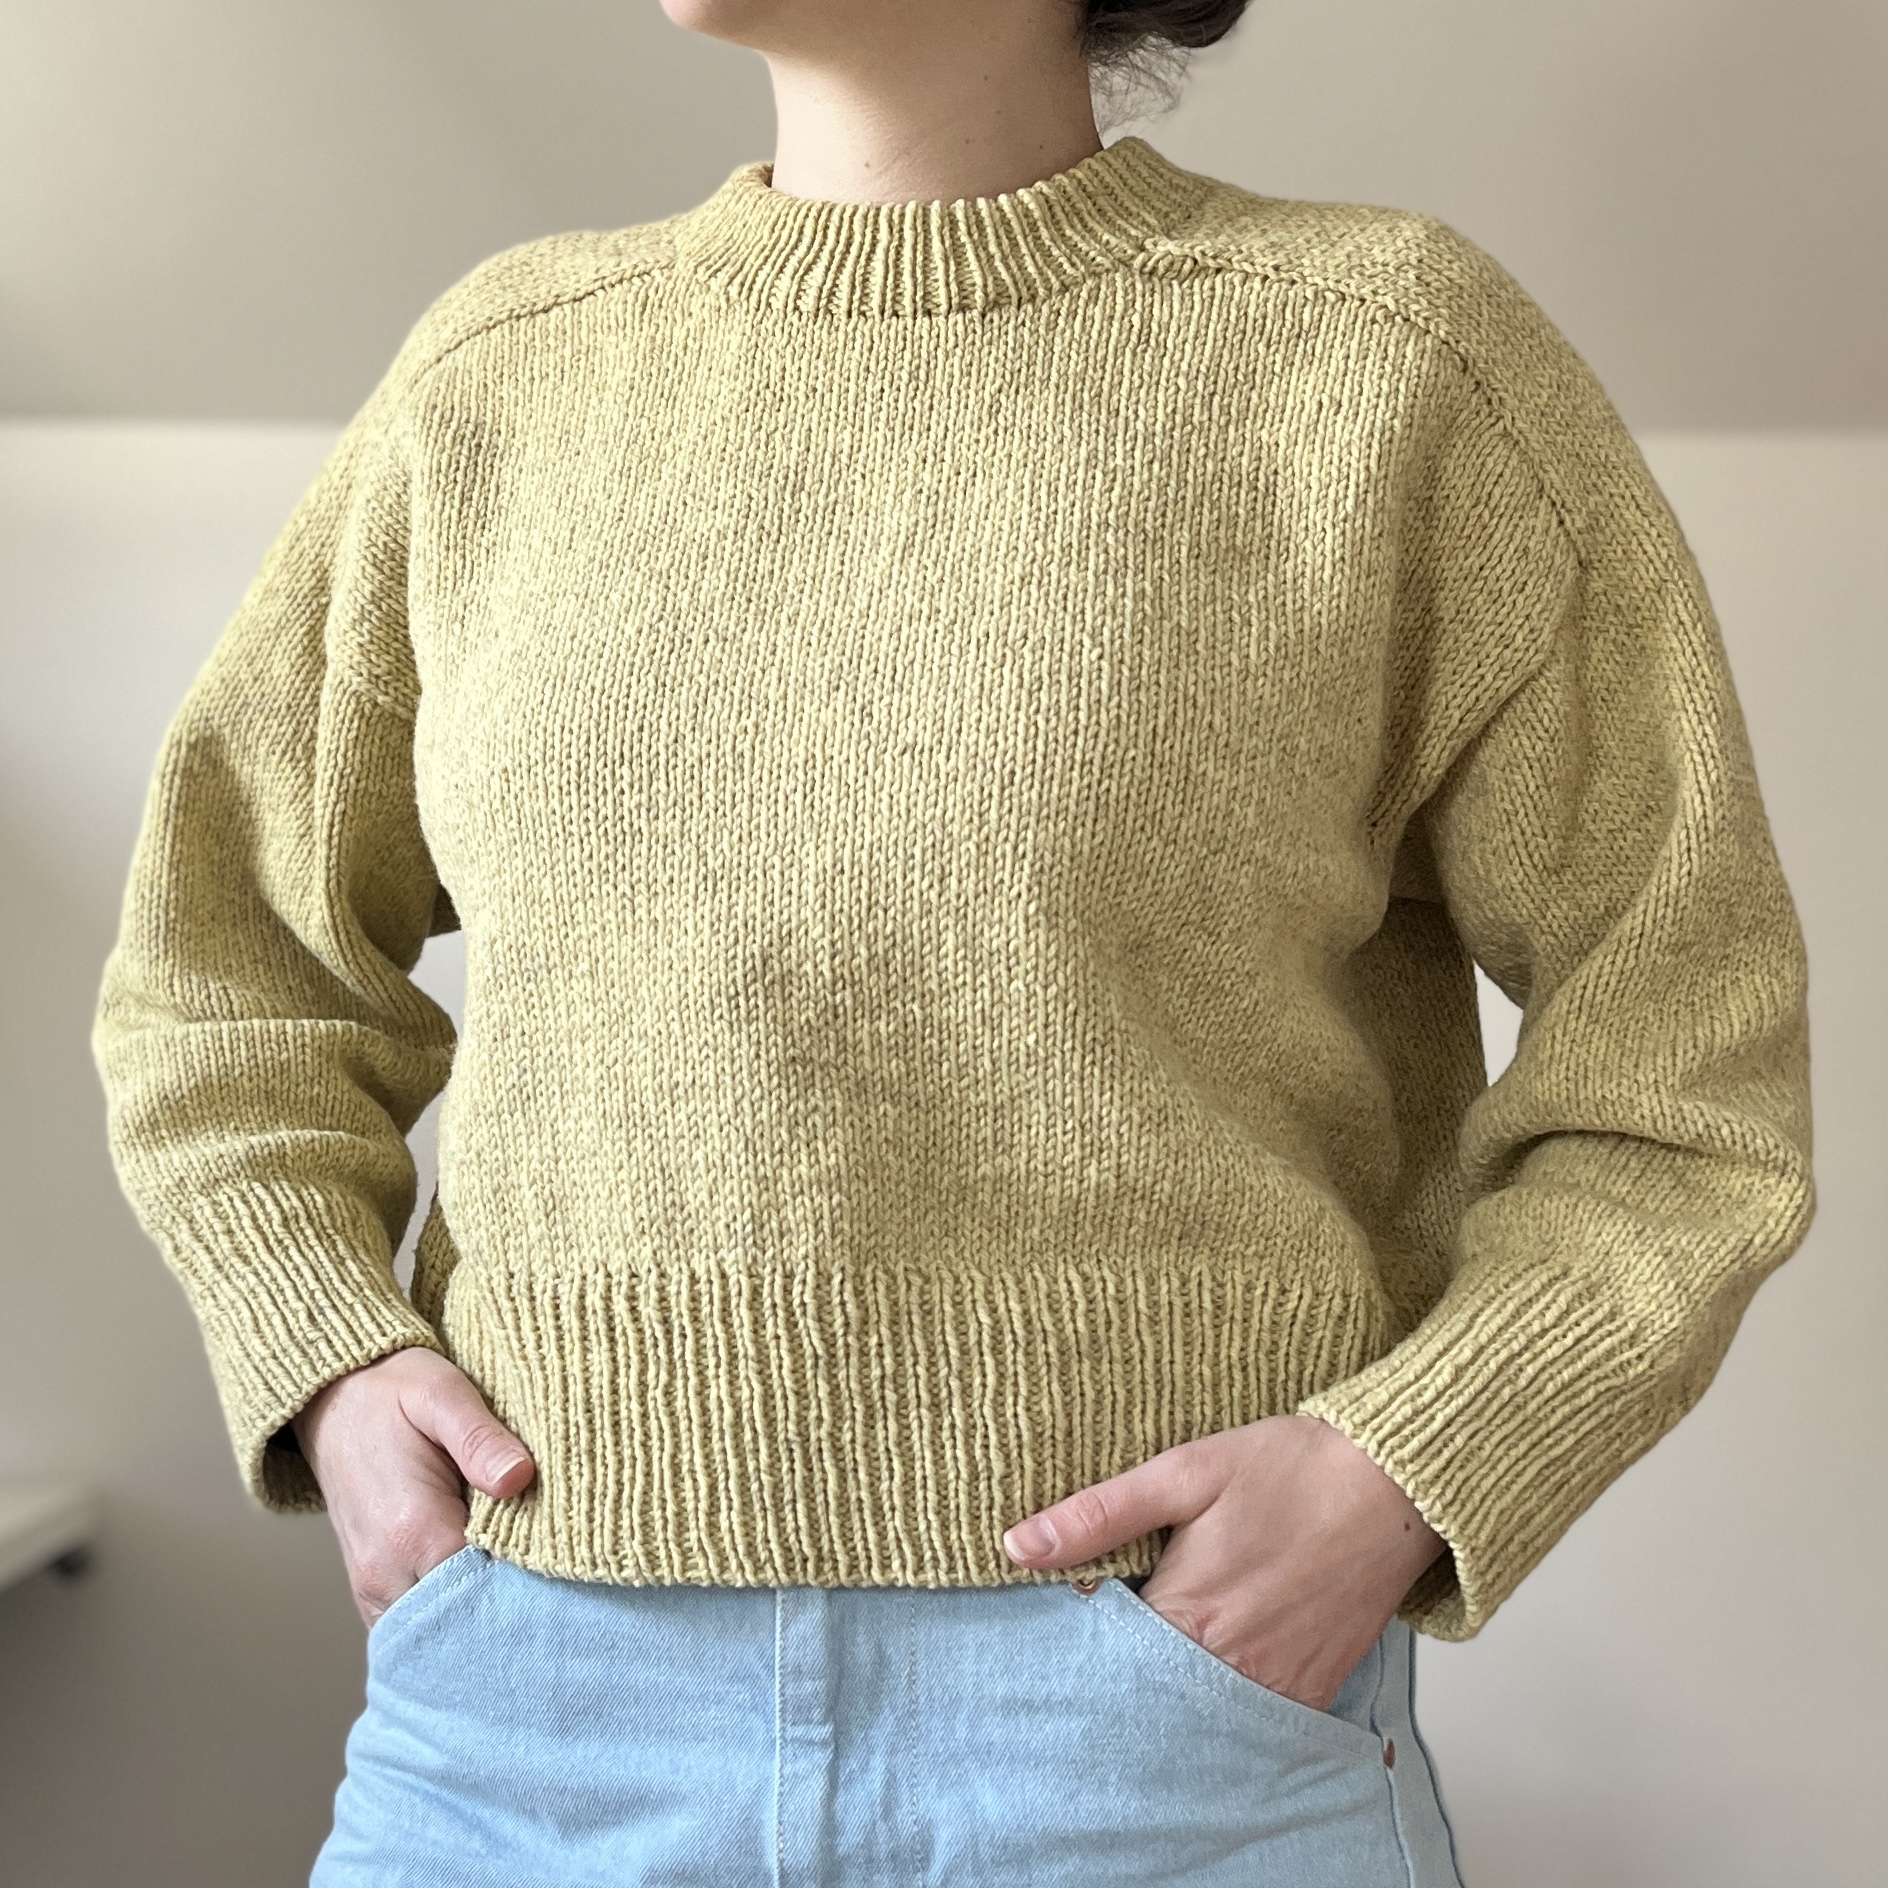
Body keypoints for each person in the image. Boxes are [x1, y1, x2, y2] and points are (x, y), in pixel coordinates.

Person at [90, 0, 1816, 1881]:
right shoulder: (499, 376)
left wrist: (1410, 1465)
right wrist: (330, 1363)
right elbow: (225, 978)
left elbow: (1684, 1065)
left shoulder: (1387, 360)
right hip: (527, 1715)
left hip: (1164, 1727)